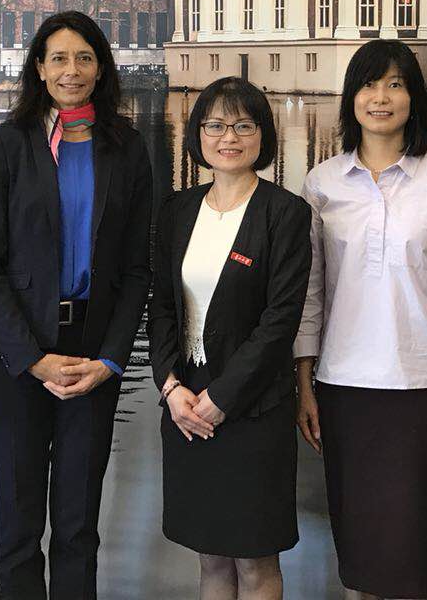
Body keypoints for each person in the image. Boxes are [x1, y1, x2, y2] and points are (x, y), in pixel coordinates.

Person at [0, 11, 154, 600]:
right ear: (40, 70)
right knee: (19, 528)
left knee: (77, 529)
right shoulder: (6, 144)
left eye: (84, 58)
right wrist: (31, 358)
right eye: (59, 58)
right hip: (17, 360)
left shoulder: (127, 148)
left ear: (100, 69)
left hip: (92, 359)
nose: (71, 70)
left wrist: (111, 360)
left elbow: (136, 271)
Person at [294, 39, 427, 600]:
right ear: (351, 98)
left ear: (414, 98)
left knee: (412, 550)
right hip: (343, 385)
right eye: (369, 85)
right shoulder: (321, 183)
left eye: (396, 85)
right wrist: (304, 384)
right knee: (359, 544)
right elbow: (310, 294)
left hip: (422, 387)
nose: (381, 97)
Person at [147, 77, 312, 600]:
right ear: (198, 134)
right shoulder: (177, 211)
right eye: (215, 125)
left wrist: (222, 398)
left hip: (253, 411)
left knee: (255, 562)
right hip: (186, 407)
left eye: (244, 125)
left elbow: (280, 321)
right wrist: (171, 387)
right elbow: (162, 307)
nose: (229, 137)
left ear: (264, 134)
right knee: (212, 559)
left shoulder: (285, 213)